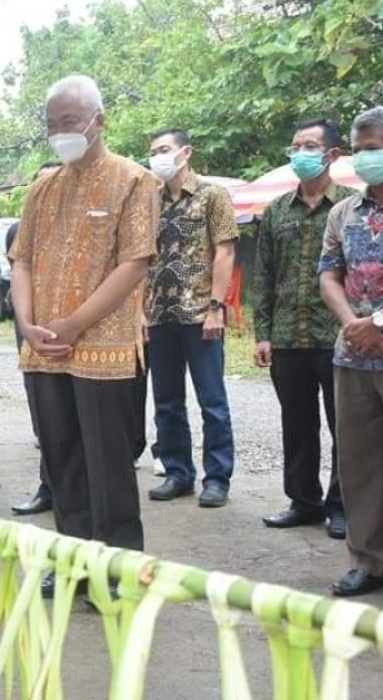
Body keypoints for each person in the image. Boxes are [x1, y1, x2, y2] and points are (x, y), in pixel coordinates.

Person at [10, 75, 157, 598]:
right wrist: (27, 323)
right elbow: (21, 259)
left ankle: (119, 569)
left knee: (108, 460)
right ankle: (71, 559)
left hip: (105, 347)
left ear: (99, 121)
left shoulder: (134, 181)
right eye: (52, 125)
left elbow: (134, 263)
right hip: (43, 348)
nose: (60, 133)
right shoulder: (42, 187)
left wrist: (73, 323)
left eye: (69, 122)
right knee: (61, 457)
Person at [319, 107, 383, 598]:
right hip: (353, 357)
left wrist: (380, 320)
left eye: (372, 147)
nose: (363, 157)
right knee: (359, 465)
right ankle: (370, 562)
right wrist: (353, 324)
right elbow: (328, 274)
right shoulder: (343, 212)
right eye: (359, 148)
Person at [253, 118, 355, 539]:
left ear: (331, 154)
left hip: (337, 335)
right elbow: (263, 275)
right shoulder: (276, 210)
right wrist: (262, 332)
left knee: (345, 425)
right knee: (297, 423)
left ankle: (343, 505)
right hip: (287, 336)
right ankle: (303, 500)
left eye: (309, 146)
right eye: (295, 146)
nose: (300, 154)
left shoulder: (351, 207)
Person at [145, 128, 239, 509]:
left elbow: (225, 252)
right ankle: (177, 472)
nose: (157, 157)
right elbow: (141, 258)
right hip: (160, 314)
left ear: (186, 152)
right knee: (166, 402)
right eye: (152, 152)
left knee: (212, 401)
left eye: (164, 149)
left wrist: (216, 308)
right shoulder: (150, 198)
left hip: (201, 314)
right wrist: (141, 311)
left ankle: (216, 478)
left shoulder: (212, 194)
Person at [9, 162, 61, 517]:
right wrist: (26, 324)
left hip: (78, 333)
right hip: (32, 331)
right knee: (47, 418)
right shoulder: (22, 229)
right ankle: (50, 487)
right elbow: (17, 271)